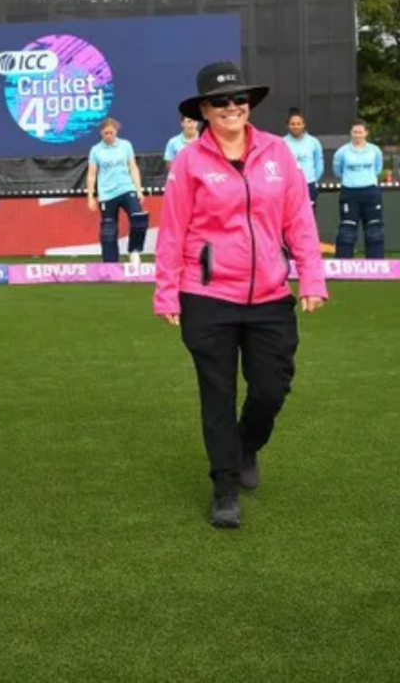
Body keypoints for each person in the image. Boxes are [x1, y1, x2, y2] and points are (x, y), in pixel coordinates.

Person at [154, 61, 327, 530]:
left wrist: (312, 278)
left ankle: (247, 443)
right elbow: (172, 231)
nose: (232, 107)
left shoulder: (277, 153)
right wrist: (166, 292)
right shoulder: (189, 160)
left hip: (271, 295)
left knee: (271, 389)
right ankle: (225, 485)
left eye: (238, 99)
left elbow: (299, 222)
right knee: (217, 393)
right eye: (221, 101)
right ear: (203, 110)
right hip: (207, 296)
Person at [86, 118, 148, 265]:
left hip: (126, 188)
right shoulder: (96, 150)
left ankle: (134, 251)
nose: (108, 135)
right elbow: (92, 174)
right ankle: (110, 263)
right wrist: (90, 197)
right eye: (105, 133)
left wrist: (139, 189)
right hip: (107, 194)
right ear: (101, 133)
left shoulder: (126, 145)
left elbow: (133, 167)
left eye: (111, 132)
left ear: (116, 131)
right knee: (108, 229)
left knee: (138, 218)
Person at [333, 120, 385, 258]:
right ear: (351, 133)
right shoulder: (342, 152)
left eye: (360, 132)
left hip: (371, 192)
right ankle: (343, 264)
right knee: (347, 230)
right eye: (355, 132)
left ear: (366, 133)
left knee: (374, 229)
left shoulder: (375, 150)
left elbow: (378, 169)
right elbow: (338, 171)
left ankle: (376, 263)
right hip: (349, 193)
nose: (357, 135)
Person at [283, 108, 324, 211]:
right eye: (292, 124)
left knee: (309, 215)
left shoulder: (313, 142)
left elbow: (319, 164)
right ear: (287, 125)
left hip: (309, 185)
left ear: (303, 125)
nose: (295, 126)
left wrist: (314, 180)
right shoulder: (281, 143)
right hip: (289, 186)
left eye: (298, 123)